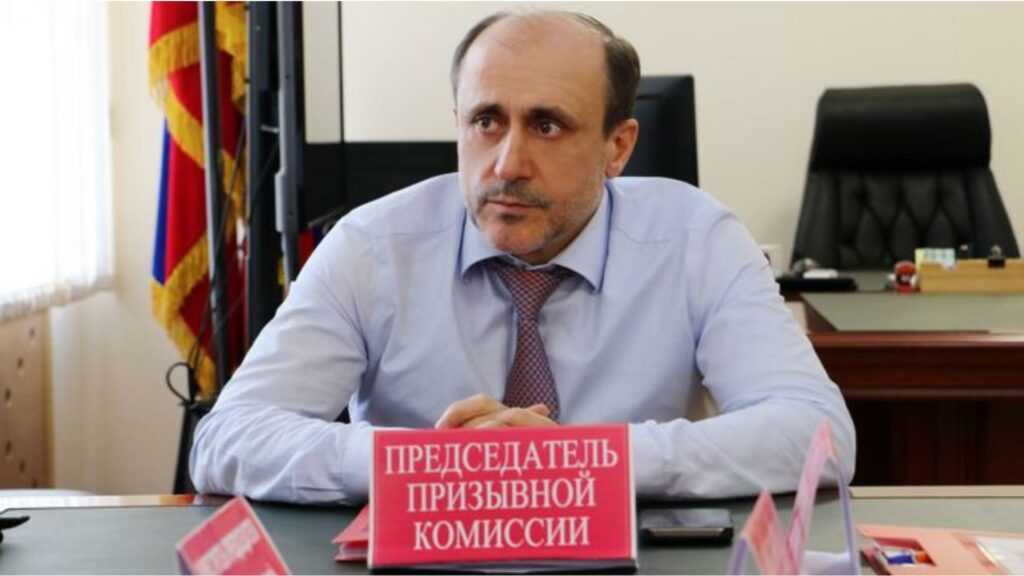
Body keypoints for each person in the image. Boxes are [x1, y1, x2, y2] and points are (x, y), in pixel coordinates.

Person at [190, 10, 855, 504]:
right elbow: (228, 439)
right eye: (486, 121)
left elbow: (818, 434)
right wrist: (432, 463)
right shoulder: (373, 246)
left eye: (547, 125)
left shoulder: (695, 239)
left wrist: (584, 460)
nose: (508, 164)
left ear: (618, 147)